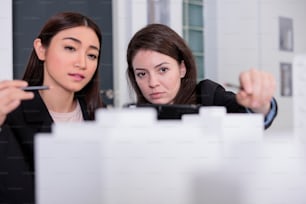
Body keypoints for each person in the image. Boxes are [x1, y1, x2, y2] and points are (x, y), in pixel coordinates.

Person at [0, 12, 104, 203]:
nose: (81, 63)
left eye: (91, 55)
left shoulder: (101, 118)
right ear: (41, 49)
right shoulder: (9, 116)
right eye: (70, 48)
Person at [126, 23, 277, 128]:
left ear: (182, 69)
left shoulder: (208, 96)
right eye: (142, 74)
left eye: (163, 70)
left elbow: (251, 118)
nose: (152, 83)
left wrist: (260, 104)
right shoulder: (133, 116)